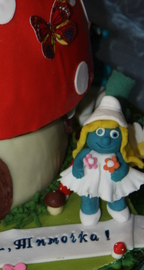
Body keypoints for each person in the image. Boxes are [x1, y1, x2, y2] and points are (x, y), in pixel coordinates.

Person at [60, 96, 144, 226]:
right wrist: (77, 166)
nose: (106, 140)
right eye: (99, 132)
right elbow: (79, 158)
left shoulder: (117, 154)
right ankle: (90, 208)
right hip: (89, 178)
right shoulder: (87, 151)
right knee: (88, 194)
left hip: (111, 181)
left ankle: (115, 205)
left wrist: (122, 171)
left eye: (114, 134)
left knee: (116, 193)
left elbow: (124, 164)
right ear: (87, 133)